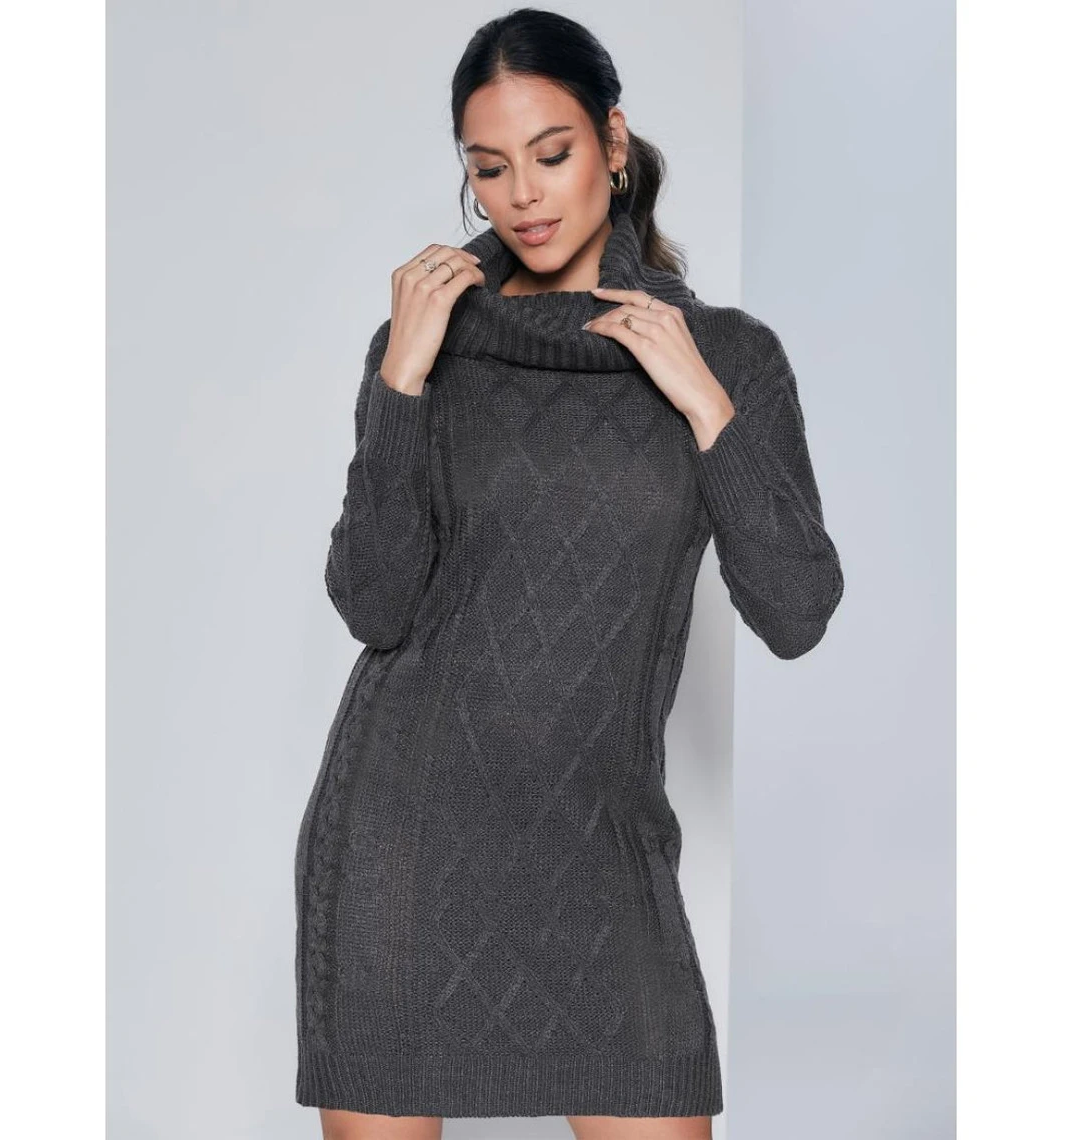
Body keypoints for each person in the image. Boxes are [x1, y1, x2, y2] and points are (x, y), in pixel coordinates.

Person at [294, 8, 844, 1139]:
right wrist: (400, 383)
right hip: (404, 839)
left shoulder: (728, 355)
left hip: (601, 847)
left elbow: (796, 611)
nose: (523, 196)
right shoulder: (423, 346)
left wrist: (705, 405)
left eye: (551, 154)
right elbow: (374, 603)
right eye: (489, 168)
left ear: (613, 140)